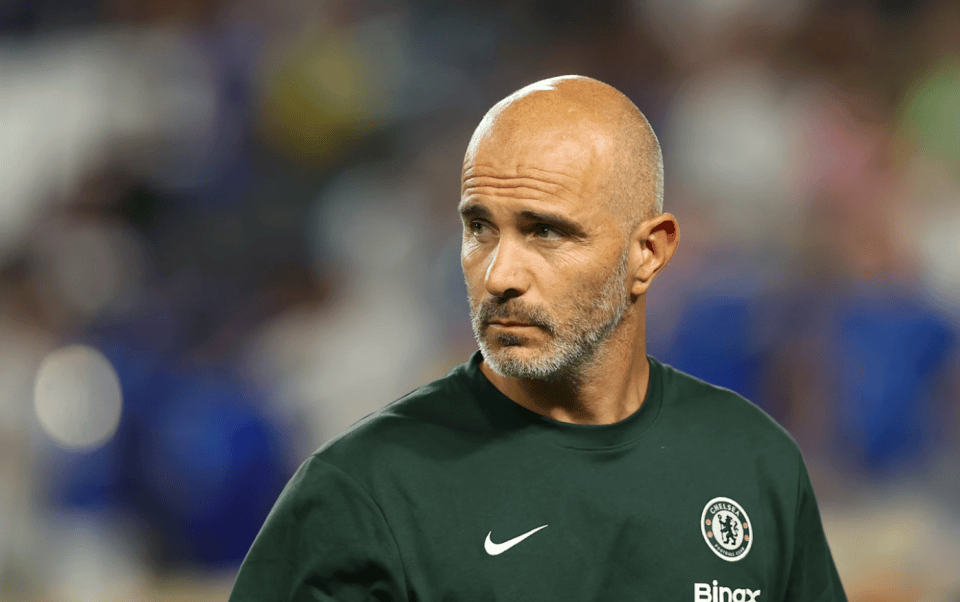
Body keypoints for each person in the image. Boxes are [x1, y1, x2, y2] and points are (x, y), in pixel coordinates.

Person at [228, 75, 847, 601]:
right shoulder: (362, 491)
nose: (499, 275)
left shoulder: (755, 463)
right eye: (479, 228)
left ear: (648, 253)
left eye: (545, 231)